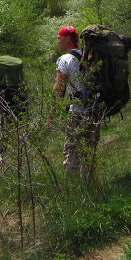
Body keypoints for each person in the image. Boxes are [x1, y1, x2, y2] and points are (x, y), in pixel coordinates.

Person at [53, 25, 100, 179]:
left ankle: (73, 187)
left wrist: (52, 114)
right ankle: (89, 181)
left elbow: (58, 90)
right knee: (89, 150)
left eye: (59, 38)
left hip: (77, 112)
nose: (57, 41)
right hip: (95, 110)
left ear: (68, 39)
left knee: (72, 149)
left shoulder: (65, 59)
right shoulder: (90, 56)